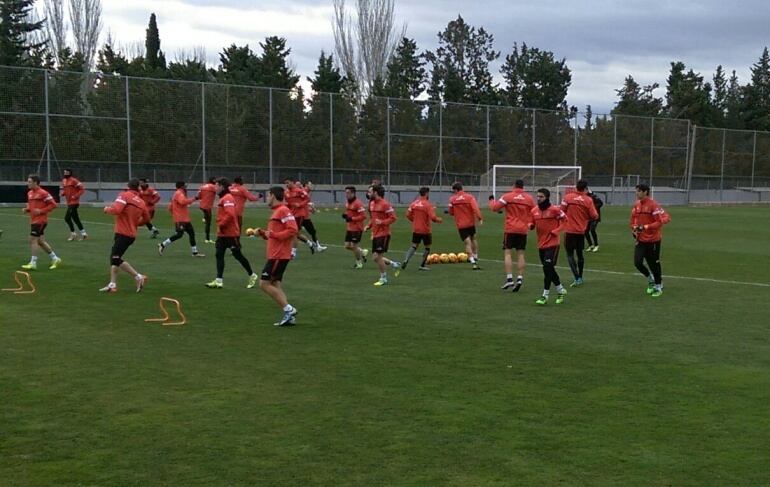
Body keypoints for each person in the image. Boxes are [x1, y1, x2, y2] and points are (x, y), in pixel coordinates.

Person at [255, 186, 300, 326]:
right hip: (276, 253)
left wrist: (272, 234)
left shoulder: (283, 210)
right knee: (275, 283)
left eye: (268, 196)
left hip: (278, 255)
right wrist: (264, 233)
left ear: (273, 195)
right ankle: (289, 316)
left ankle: (289, 309)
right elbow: (274, 234)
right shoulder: (278, 211)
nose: (267, 198)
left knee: (263, 283)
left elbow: (293, 230)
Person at [205, 178, 259, 289]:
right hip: (222, 234)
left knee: (238, 255)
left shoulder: (228, 198)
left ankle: (252, 275)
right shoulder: (224, 198)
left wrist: (221, 224)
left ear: (222, 187)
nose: (215, 188)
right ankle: (219, 280)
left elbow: (230, 214)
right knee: (219, 255)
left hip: (230, 234)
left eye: (217, 186)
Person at [100, 178, 150, 293]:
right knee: (115, 257)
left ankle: (138, 277)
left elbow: (117, 210)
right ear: (138, 188)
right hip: (131, 234)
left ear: (128, 186)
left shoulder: (124, 195)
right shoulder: (141, 202)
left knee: (115, 258)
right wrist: (135, 223)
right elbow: (147, 219)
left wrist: (107, 209)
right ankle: (112, 284)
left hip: (123, 233)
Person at [488, 179, 535, 292]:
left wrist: (491, 200)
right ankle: (519, 278)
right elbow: (534, 212)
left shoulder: (508, 196)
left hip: (510, 229)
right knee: (521, 254)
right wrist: (531, 223)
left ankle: (509, 279)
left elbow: (494, 208)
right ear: (523, 187)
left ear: (514, 185)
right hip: (523, 230)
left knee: (508, 253)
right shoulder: (529, 198)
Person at [631, 183, 671, 298]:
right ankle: (650, 279)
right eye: (636, 191)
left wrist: (646, 227)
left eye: (638, 191)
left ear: (645, 192)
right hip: (641, 239)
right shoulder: (636, 205)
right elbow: (633, 220)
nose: (636, 193)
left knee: (654, 263)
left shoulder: (653, 205)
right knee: (637, 262)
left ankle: (658, 285)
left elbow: (659, 222)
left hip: (653, 239)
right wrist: (634, 228)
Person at [530, 188, 568, 305]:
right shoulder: (534, 211)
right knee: (549, 269)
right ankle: (560, 289)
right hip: (541, 244)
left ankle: (544, 296)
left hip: (552, 243)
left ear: (547, 197)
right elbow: (532, 222)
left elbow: (565, 221)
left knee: (547, 267)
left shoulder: (555, 210)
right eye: (537, 196)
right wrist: (530, 225)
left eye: (541, 197)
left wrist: (557, 231)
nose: (538, 199)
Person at [560, 180, 598, 287]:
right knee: (580, 254)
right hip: (581, 231)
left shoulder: (567, 197)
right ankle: (580, 276)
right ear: (585, 188)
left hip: (569, 230)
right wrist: (585, 217)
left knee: (570, 255)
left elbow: (561, 211)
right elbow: (594, 216)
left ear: (576, 187)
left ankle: (576, 277)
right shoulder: (588, 200)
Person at [21, 174, 62, 270]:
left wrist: (41, 211)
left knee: (32, 240)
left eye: (30, 181)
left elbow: (54, 205)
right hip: (33, 220)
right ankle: (55, 258)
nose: (28, 183)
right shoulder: (30, 193)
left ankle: (33, 263)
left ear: (36, 182)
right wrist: (27, 210)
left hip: (40, 220)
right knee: (40, 241)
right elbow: (33, 207)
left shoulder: (43, 193)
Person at [399, 186, 442, 273]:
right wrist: (438, 220)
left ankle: (406, 260)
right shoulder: (428, 205)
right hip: (425, 229)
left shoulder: (414, 203)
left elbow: (407, 214)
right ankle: (422, 265)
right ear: (426, 194)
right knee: (427, 247)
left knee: (414, 245)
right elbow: (433, 217)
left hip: (416, 229)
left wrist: (414, 220)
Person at [158, 181, 205, 257]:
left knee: (191, 234)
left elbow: (170, 207)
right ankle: (162, 244)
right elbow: (183, 202)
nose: (186, 188)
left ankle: (195, 252)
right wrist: (195, 198)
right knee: (179, 235)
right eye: (185, 186)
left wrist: (175, 214)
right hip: (181, 219)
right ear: (182, 186)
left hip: (184, 219)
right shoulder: (179, 193)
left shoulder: (178, 193)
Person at [366, 184, 401, 286]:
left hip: (384, 234)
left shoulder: (385, 204)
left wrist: (382, 222)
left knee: (377, 256)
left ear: (375, 192)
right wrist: (368, 226)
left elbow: (393, 217)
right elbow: (373, 218)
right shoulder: (371, 203)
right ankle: (393, 264)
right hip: (376, 233)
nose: (368, 194)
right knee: (375, 258)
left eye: (370, 192)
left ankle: (383, 278)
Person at [448, 181, 483, 270]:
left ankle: (471, 260)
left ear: (456, 190)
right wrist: (480, 218)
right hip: (470, 223)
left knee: (467, 242)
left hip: (461, 224)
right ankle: (475, 256)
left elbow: (451, 212)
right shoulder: (470, 197)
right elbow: (475, 208)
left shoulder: (452, 199)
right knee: (473, 238)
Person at [284, 178, 318, 257]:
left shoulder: (299, 191)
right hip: (291, 215)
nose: (287, 185)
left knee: (294, 233)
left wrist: (300, 205)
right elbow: (288, 204)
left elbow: (307, 198)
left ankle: (293, 252)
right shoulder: (286, 193)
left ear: (292, 182)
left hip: (299, 215)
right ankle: (310, 244)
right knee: (296, 233)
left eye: (288, 183)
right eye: (285, 183)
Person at [342, 185, 368, 268]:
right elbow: (349, 213)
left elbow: (363, 216)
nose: (346, 194)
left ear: (353, 193)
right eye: (346, 193)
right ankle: (362, 252)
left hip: (357, 228)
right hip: (349, 227)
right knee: (347, 246)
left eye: (348, 193)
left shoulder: (358, 203)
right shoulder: (347, 202)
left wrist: (352, 218)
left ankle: (359, 263)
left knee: (354, 246)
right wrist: (346, 216)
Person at [60, 168, 88, 241]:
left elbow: (82, 189)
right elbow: (66, 191)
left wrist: (75, 196)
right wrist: (63, 194)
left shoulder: (74, 180)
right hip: (69, 203)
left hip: (74, 203)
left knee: (67, 218)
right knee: (75, 219)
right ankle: (84, 234)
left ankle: (73, 233)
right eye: (64, 172)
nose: (65, 174)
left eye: (67, 173)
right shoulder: (64, 181)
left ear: (70, 173)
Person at [300, 180, 327, 251]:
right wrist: (310, 206)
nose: (311, 186)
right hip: (304, 217)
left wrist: (310, 207)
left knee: (297, 233)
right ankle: (315, 245)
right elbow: (302, 203)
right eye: (310, 184)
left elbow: (304, 204)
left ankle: (315, 245)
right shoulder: (304, 192)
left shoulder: (306, 192)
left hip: (303, 216)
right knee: (312, 232)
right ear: (306, 185)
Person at [197, 176, 217, 243]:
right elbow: (219, 192)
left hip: (202, 206)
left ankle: (204, 218)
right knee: (208, 224)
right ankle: (207, 239)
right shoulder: (213, 187)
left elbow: (199, 196)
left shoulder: (203, 186)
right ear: (213, 181)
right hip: (207, 207)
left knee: (207, 220)